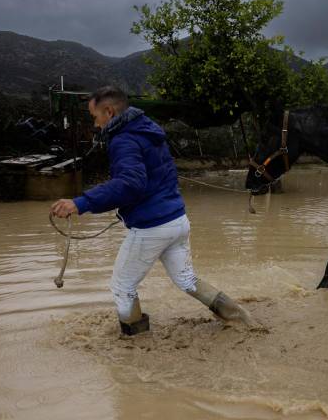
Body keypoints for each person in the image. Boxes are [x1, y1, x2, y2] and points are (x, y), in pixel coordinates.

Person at [50, 86, 254, 335]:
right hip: (177, 221)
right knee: (187, 281)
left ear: (109, 112)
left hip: (152, 227)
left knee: (122, 287)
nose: (95, 124)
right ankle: (241, 318)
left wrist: (79, 203)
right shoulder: (148, 131)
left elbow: (129, 184)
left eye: (95, 117)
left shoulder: (123, 140)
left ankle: (135, 341)